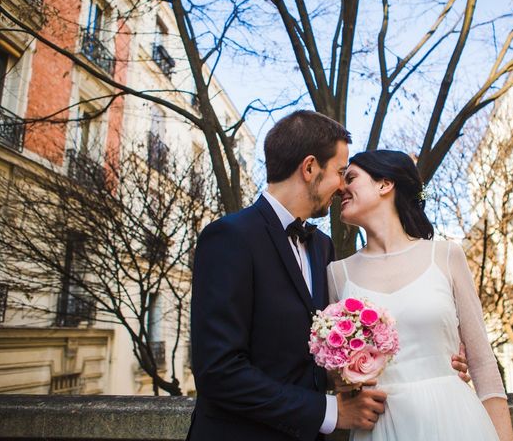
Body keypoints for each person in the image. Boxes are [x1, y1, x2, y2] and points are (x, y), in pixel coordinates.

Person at [188, 111, 470, 441]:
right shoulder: (229, 237)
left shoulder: (322, 248)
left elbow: (337, 345)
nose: (341, 187)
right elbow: (219, 370)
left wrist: (435, 359)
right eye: (340, 172)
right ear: (309, 168)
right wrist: (330, 412)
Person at [328, 150, 513, 441]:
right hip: (380, 428)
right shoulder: (338, 274)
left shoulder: (446, 256)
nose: (341, 190)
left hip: (454, 420)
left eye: (350, 178)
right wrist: (346, 389)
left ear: (384, 184)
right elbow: (337, 373)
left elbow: (483, 365)